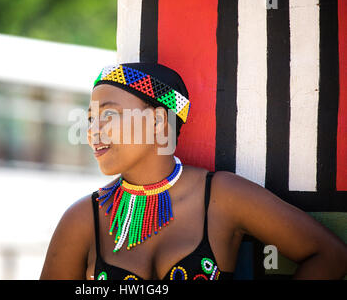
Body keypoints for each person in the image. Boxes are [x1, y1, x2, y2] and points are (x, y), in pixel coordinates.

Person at [40, 62, 347, 280]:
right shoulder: (82, 219)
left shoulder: (222, 197)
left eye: (109, 114)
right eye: (91, 118)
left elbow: (330, 255)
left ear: (159, 123)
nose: (93, 131)